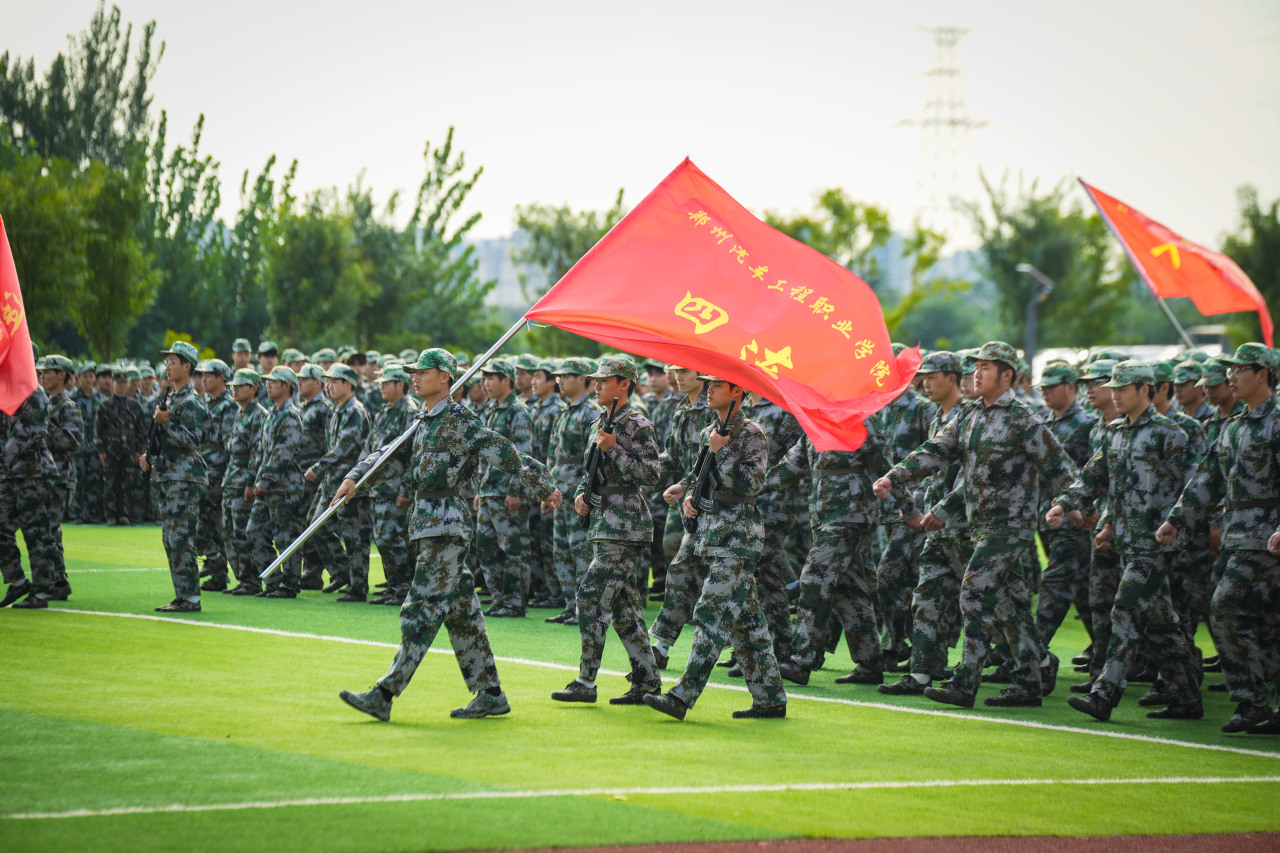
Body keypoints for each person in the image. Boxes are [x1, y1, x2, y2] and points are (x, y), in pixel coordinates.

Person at [336, 349, 561, 721]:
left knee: (421, 607)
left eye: (422, 372)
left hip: (446, 524)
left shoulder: (458, 419)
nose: (415, 377)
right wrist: (354, 478)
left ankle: (385, 693)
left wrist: (543, 487)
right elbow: (390, 455)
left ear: (444, 377)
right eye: (413, 372)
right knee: (462, 614)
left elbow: (503, 452)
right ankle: (490, 693)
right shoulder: (422, 420)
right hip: (428, 521)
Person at [874, 341, 1077, 709]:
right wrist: (895, 476)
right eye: (976, 366)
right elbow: (936, 450)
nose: (977, 373)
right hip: (977, 523)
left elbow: (1061, 467)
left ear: (1007, 375)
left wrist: (1068, 503)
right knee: (1011, 605)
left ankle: (965, 683)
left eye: (986, 367)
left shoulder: (1023, 419)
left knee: (973, 593)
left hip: (1009, 526)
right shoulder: (969, 414)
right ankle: (1032, 679)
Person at [1049, 361, 1201, 723]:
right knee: (1161, 623)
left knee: (1125, 609)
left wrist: (1176, 522)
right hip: (1126, 542)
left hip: (1155, 544)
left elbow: (1195, 485)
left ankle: (1105, 693)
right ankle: (1187, 697)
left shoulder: (1170, 434)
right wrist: (1066, 505)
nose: (1114, 395)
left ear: (1144, 390)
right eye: (1113, 388)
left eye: (1122, 389)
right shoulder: (1114, 432)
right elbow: (1095, 479)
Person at [644, 375, 787, 720]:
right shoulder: (712, 430)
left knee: (711, 613)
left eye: (717, 385)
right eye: (707, 384)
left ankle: (682, 696)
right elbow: (703, 475)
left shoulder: (752, 433)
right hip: (711, 533)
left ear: (738, 390)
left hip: (738, 537)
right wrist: (689, 492)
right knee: (747, 624)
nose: (709, 389)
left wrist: (723, 451)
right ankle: (770, 699)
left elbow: (752, 484)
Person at [1159, 343, 1280, 735]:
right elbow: (1207, 478)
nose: (1231, 376)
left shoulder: (1276, 421)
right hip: (1238, 536)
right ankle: (1264, 704)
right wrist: (1177, 519)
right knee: (1265, 622)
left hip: (1267, 536)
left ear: (1262, 374)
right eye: (1230, 370)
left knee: (1226, 608)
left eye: (1240, 369)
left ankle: (1252, 701)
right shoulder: (1234, 424)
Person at [550, 356, 664, 706]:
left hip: (625, 524)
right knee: (625, 608)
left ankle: (586, 681)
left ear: (624, 384)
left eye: (604, 379)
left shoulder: (637, 424)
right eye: (596, 379)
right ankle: (647, 682)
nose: (596, 384)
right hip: (605, 522)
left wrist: (614, 449)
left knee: (589, 596)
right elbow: (592, 470)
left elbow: (652, 474)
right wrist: (583, 494)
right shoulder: (600, 421)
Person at [880, 351, 972, 695]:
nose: (925, 383)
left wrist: (943, 509)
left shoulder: (968, 416)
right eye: (924, 377)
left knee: (994, 601)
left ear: (952, 378)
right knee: (924, 592)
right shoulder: (937, 416)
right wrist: (910, 502)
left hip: (964, 523)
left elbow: (972, 476)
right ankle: (921, 672)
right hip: (931, 519)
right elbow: (926, 467)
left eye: (932, 377)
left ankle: (1032, 665)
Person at [141, 341, 210, 613]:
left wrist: (166, 422)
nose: (167, 367)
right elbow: (163, 439)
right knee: (170, 538)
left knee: (181, 537)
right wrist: (150, 457)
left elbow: (193, 440)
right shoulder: (172, 398)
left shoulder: (192, 402)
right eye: (166, 362)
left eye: (172, 362)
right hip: (168, 475)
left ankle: (190, 598)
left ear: (187, 366)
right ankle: (183, 595)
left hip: (184, 477)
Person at [474, 358, 536, 617]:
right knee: (484, 545)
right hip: (489, 490)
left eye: (491, 378)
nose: (485, 383)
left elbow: (522, 454)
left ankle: (514, 601)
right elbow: (483, 451)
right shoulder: (491, 409)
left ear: (506, 380)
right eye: (484, 378)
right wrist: (480, 488)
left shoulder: (518, 411)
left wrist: (514, 490)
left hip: (507, 492)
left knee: (513, 549)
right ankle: (499, 598)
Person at [305, 363, 372, 601]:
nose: (329, 386)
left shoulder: (355, 411)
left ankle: (358, 586)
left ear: (348, 384)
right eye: (327, 381)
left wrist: (318, 467)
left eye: (334, 381)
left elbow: (343, 448)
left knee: (354, 536)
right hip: (332, 482)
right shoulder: (337, 410)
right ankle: (342, 573)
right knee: (316, 527)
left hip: (351, 484)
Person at [0, 359, 60, 610]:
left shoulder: (35, 395)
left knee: (36, 532)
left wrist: (2, 461)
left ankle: (43, 590)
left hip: (33, 473)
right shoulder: (6, 393)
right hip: (10, 474)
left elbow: (25, 434)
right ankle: (17, 581)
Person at [544, 357, 600, 624]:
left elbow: (592, 460)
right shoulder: (562, 412)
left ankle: (584, 607)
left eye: (567, 376)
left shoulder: (590, 413)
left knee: (581, 551)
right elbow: (552, 455)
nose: (561, 381)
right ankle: (570, 605)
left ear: (582, 379)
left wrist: (585, 492)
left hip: (577, 492)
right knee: (561, 550)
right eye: (559, 376)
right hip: (559, 491)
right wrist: (546, 489)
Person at [249, 367, 308, 598]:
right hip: (268, 485)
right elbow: (263, 452)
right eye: (267, 381)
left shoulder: (290, 415)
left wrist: (266, 479)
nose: (268, 385)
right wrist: (258, 479)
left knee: (286, 536)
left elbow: (283, 453)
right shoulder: (272, 413)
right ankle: (273, 580)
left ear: (287, 386)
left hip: (284, 487)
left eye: (274, 381)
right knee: (254, 531)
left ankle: (290, 584)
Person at [364, 364, 416, 606]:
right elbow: (371, 447)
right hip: (380, 487)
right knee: (382, 538)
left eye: (386, 383)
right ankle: (394, 587)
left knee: (392, 538)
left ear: (400, 385)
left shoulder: (410, 412)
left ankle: (403, 588)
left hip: (396, 488)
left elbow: (412, 453)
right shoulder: (384, 412)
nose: (381, 387)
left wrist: (406, 489)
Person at [39, 355, 83, 600]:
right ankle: (55, 580)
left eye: (49, 371)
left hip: (59, 476)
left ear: (62, 375)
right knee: (46, 530)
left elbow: (73, 441)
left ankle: (54, 582)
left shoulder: (68, 407)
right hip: (41, 474)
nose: (43, 375)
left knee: (49, 529)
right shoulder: (43, 403)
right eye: (42, 371)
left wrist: (46, 423)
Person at [221, 369, 268, 595]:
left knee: (242, 533)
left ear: (254, 388)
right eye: (233, 386)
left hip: (243, 483)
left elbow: (257, 453)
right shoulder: (240, 413)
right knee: (229, 532)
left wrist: (250, 482)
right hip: (231, 479)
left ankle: (251, 580)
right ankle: (241, 577)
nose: (235, 389)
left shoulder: (258, 415)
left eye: (240, 386)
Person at [196, 359, 237, 591]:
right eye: (202, 375)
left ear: (221, 377)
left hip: (217, 474)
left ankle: (217, 563)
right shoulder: (205, 404)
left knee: (210, 523)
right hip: (203, 472)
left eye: (208, 375)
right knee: (207, 523)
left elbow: (229, 446)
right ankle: (217, 570)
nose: (203, 379)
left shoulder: (228, 407)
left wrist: (226, 477)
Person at [294, 363, 333, 591]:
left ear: (318, 382)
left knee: (314, 523)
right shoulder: (302, 407)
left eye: (304, 379)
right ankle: (310, 570)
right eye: (298, 379)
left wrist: (321, 469)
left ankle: (314, 570)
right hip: (301, 473)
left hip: (316, 473)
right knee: (303, 521)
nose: (299, 383)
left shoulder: (324, 409)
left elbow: (329, 442)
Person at [96, 366, 143, 526]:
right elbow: (99, 431)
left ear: (128, 384)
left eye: (124, 382)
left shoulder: (135, 405)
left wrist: (138, 450)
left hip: (129, 451)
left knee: (126, 484)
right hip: (110, 452)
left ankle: (124, 515)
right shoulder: (104, 405)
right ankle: (110, 515)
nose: (122, 385)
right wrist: (101, 451)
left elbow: (140, 431)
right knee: (110, 484)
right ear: (113, 383)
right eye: (119, 382)